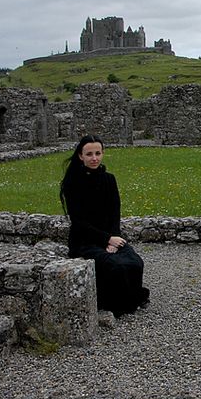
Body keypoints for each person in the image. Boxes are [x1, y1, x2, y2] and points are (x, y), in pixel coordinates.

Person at [60, 134, 149, 316]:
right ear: (80, 156)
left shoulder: (109, 179)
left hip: (111, 238)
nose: (94, 158)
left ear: (103, 154)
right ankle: (116, 305)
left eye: (98, 153)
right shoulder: (73, 183)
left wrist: (113, 240)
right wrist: (106, 239)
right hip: (84, 241)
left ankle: (130, 300)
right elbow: (78, 222)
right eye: (89, 154)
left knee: (135, 262)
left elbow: (114, 213)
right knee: (114, 266)